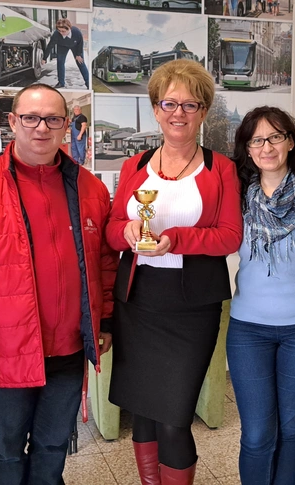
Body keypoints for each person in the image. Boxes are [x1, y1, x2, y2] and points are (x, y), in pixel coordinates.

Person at [0, 83, 118, 485]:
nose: (41, 128)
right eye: (30, 118)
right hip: (4, 350)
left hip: (69, 349)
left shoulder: (91, 188)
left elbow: (104, 263)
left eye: (53, 119)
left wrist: (105, 321)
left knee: (53, 446)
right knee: (5, 450)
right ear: (12, 122)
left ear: (66, 125)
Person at [105, 59, 242, 485]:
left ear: (203, 112)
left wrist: (176, 239)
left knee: (173, 419)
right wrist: (127, 231)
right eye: (169, 103)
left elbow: (229, 236)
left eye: (190, 104)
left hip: (191, 307)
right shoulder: (134, 165)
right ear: (156, 109)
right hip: (138, 301)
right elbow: (111, 229)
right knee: (143, 412)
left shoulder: (220, 168)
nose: (178, 112)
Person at [228, 106, 295, 485]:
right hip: (248, 330)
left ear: (290, 142)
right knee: (256, 434)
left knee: (290, 428)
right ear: (247, 148)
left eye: (275, 137)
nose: (266, 147)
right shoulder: (236, 196)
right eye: (257, 140)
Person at [41, 18, 90, 89]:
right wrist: (44, 58)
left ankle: (88, 83)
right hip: (62, 46)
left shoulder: (76, 32)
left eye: (63, 31)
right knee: (60, 62)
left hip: (75, 46)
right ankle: (61, 83)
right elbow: (50, 46)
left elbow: (80, 42)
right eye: (59, 31)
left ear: (69, 28)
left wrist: (78, 54)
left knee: (80, 63)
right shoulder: (56, 34)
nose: (61, 33)